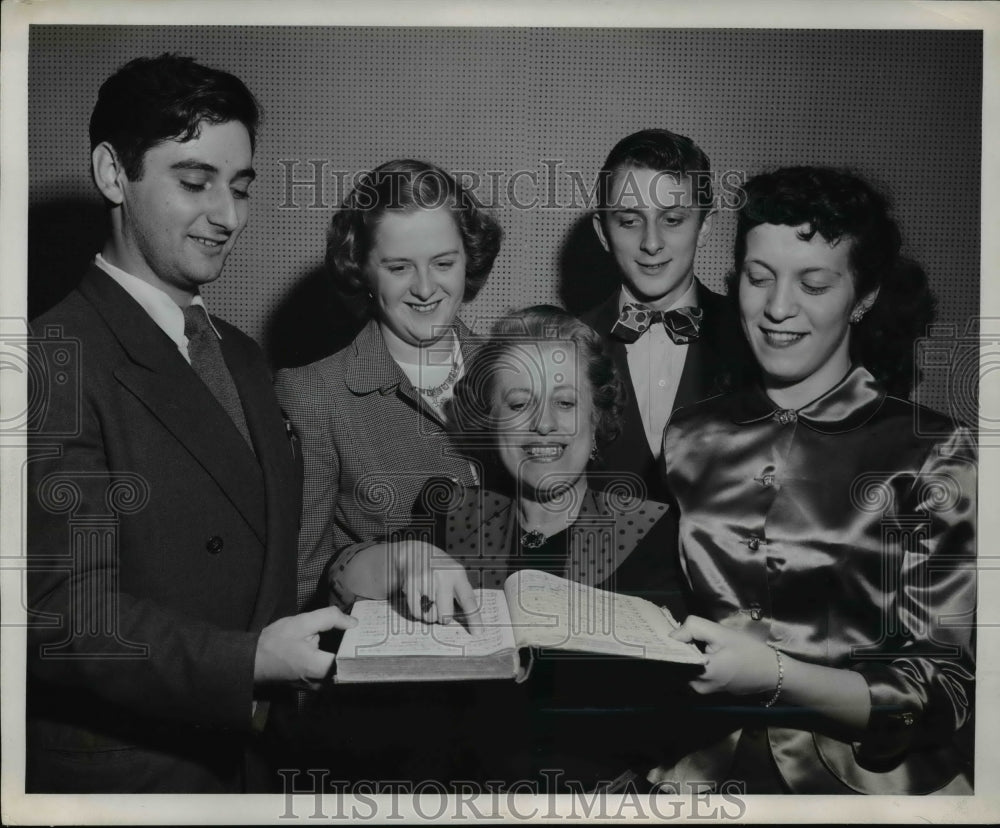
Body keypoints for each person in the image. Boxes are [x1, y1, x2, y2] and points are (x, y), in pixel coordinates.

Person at [25, 54, 356, 794]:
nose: (229, 217)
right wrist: (246, 664)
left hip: (248, 769)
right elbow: (58, 616)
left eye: (240, 189)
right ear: (114, 175)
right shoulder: (50, 361)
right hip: (131, 782)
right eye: (195, 182)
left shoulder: (238, 353)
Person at [648, 167, 976, 795]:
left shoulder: (937, 451)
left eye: (814, 283)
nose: (776, 309)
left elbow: (943, 692)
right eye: (759, 276)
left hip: (873, 791)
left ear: (864, 297)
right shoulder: (686, 436)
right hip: (707, 779)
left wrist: (775, 674)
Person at [332, 306, 695, 787]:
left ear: (598, 420)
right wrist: (405, 559)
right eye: (520, 403)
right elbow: (342, 586)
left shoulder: (657, 532)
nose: (543, 425)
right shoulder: (451, 514)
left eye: (565, 404)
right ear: (493, 418)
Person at [274, 159, 502, 612]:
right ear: (362, 270)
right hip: (397, 668)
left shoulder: (513, 367)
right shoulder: (313, 394)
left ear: (468, 259)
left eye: (443, 263)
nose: (424, 288)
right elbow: (302, 580)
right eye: (399, 267)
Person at [582, 128, 732, 503]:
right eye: (630, 221)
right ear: (603, 232)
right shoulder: (569, 343)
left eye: (673, 220)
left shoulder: (752, 338)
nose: (651, 243)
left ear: (705, 225)